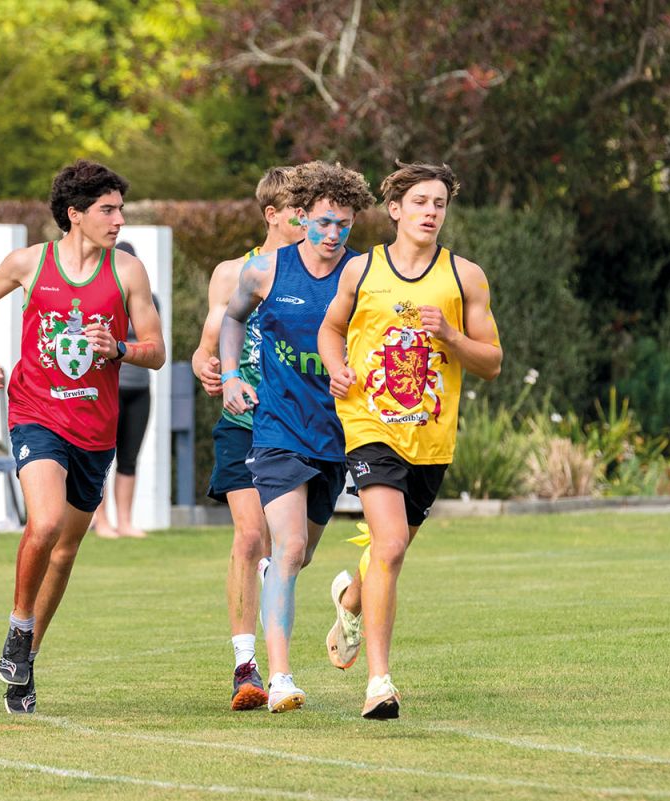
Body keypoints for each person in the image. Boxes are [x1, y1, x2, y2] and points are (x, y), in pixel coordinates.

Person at [0, 160, 165, 715]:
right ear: (74, 215)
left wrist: (118, 348)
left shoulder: (128, 273)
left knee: (66, 549)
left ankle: (26, 657)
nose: (119, 219)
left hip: (96, 431)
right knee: (46, 523)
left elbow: (157, 351)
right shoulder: (30, 263)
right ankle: (17, 623)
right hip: (36, 413)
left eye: (120, 209)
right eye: (108, 209)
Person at [318, 161, 503, 719]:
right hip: (369, 424)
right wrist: (335, 367)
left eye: (439, 203)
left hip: (431, 437)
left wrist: (449, 335)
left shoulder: (464, 276)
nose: (430, 211)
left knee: (390, 553)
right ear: (395, 209)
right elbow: (331, 328)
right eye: (420, 201)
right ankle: (379, 683)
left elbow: (491, 361)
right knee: (391, 544)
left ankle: (351, 599)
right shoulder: (361, 270)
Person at [219, 161, 376, 713]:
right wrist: (233, 373)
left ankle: (286, 585)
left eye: (344, 226)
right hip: (279, 428)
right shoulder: (264, 271)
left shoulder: (363, 274)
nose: (333, 235)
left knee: (301, 553)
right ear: (302, 217)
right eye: (324, 223)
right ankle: (280, 678)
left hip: (338, 432)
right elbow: (232, 320)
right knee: (285, 547)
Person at [191, 165, 304, 710]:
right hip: (242, 423)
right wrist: (206, 367)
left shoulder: (326, 274)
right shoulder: (233, 272)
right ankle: (245, 666)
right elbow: (207, 343)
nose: (309, 223)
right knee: (249, 535)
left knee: (292, 551)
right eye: (297, 213)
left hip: (301, 428)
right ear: (272, 216)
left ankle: (288, 605)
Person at [91, 241, 158, 540]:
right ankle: (102, 520)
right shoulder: (102, 297)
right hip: (109, 387)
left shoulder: (150, 298)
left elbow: (153, 341)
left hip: (140, 388)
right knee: (103, 455)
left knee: (130, 457)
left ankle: (126, 521)